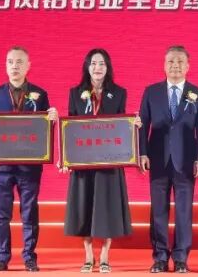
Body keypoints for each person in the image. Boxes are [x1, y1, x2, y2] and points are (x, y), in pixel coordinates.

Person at [0, 46, 58, 272]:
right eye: (10, 62)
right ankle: (1, 257)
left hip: (29, 166)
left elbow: (44, 130)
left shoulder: (40, 94)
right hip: (2, 166)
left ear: (28, 66)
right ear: (5, 66)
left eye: (19, 62)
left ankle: (29, 258)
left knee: (30, 212)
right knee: (1, 214)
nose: (14, 66)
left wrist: (53, 119)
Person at [62, 49, 132, 273]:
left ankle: (104, 255)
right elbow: (69, 129)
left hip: (109, 162)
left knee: (107, 207)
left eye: (102, 63)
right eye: (93, 63)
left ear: (108, 67)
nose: (97, 67)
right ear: (87, 67)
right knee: (85, 207)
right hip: (83, 163)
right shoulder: (76, 93)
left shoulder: (119, 93)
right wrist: (66, 158)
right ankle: (88, 255)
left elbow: (122, 125)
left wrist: (134, 126)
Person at [138, 46, 198, 273]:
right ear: (164, 65)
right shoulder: (151, 92)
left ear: (188, 66)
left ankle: (181, 258)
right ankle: (159, 257)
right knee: (158, 211)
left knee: (184, 212)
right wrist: (142, 152)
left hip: (186, 161)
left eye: (180, 61)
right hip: (157, 159)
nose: (175, 65)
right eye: (171, 61)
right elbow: (142, 124)